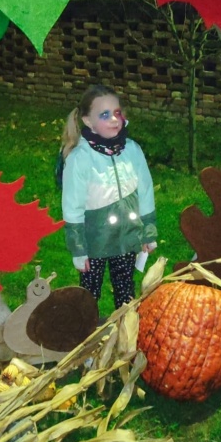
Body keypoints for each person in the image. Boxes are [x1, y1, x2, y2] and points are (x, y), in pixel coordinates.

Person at [60, 84, 157, 308]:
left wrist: (148, 231)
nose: (114, 119)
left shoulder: (132, 150)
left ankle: (124, 328)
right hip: (94, 241)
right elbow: (72, 206)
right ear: (87, 121)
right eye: (104, 115)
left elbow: (145, 191)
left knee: (125, 293)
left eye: (117, 112)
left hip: (126, 238)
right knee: (88, 295)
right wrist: (78, 248)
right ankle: (86, 329)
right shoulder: (80, 158)